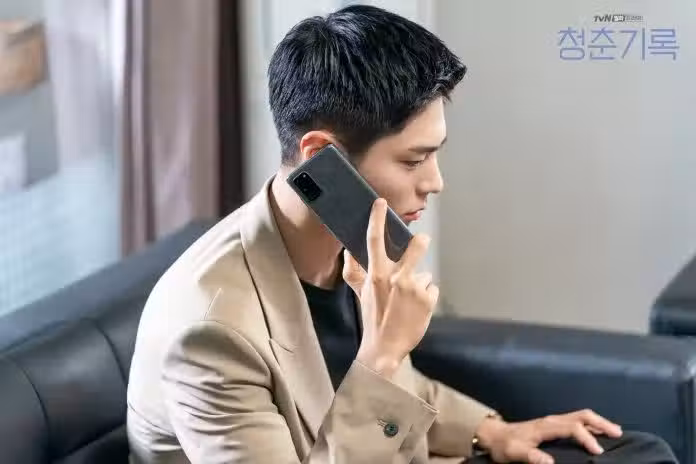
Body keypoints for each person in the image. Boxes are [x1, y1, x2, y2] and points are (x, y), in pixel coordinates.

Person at [127, 5, 678, 464]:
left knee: (638, 453)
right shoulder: (210, 334)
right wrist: (383, 353)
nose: (435, 183)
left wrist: (493, 432)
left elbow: (398, 394)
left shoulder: (350, 237)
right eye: (414, 161)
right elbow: (377, 382)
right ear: (321, 157)